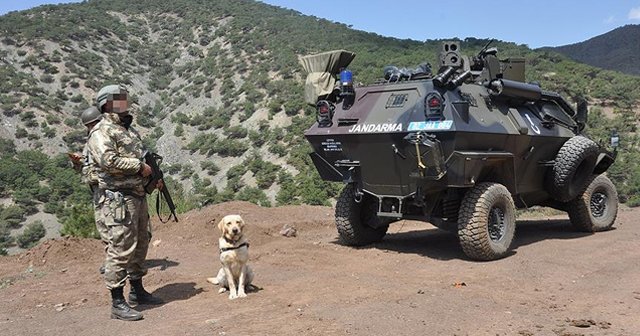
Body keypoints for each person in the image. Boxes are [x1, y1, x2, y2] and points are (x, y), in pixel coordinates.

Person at [86, 84, 163, 321]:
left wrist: (152, 175)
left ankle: (137, 291)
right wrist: (139, 167)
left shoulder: (128, 130)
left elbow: (139, 155)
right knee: (120, 247)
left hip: (137, 194)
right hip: (118, 198)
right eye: (120, 99)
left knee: (141, 242)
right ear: (107, 103)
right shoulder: (102, 131)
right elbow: (108, 160)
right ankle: (117, 302)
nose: (125, 102)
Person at [69, 106, 108, 248]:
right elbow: (85, 163)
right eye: (89, 126)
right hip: (97, 189)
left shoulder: (107, 139)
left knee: (113, 224)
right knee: (102, 223)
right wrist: (76, 161)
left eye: (93, 124)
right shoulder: (90, 142)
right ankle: (112, 257)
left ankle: (118, 259)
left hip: (110, 187)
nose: (91, 128)